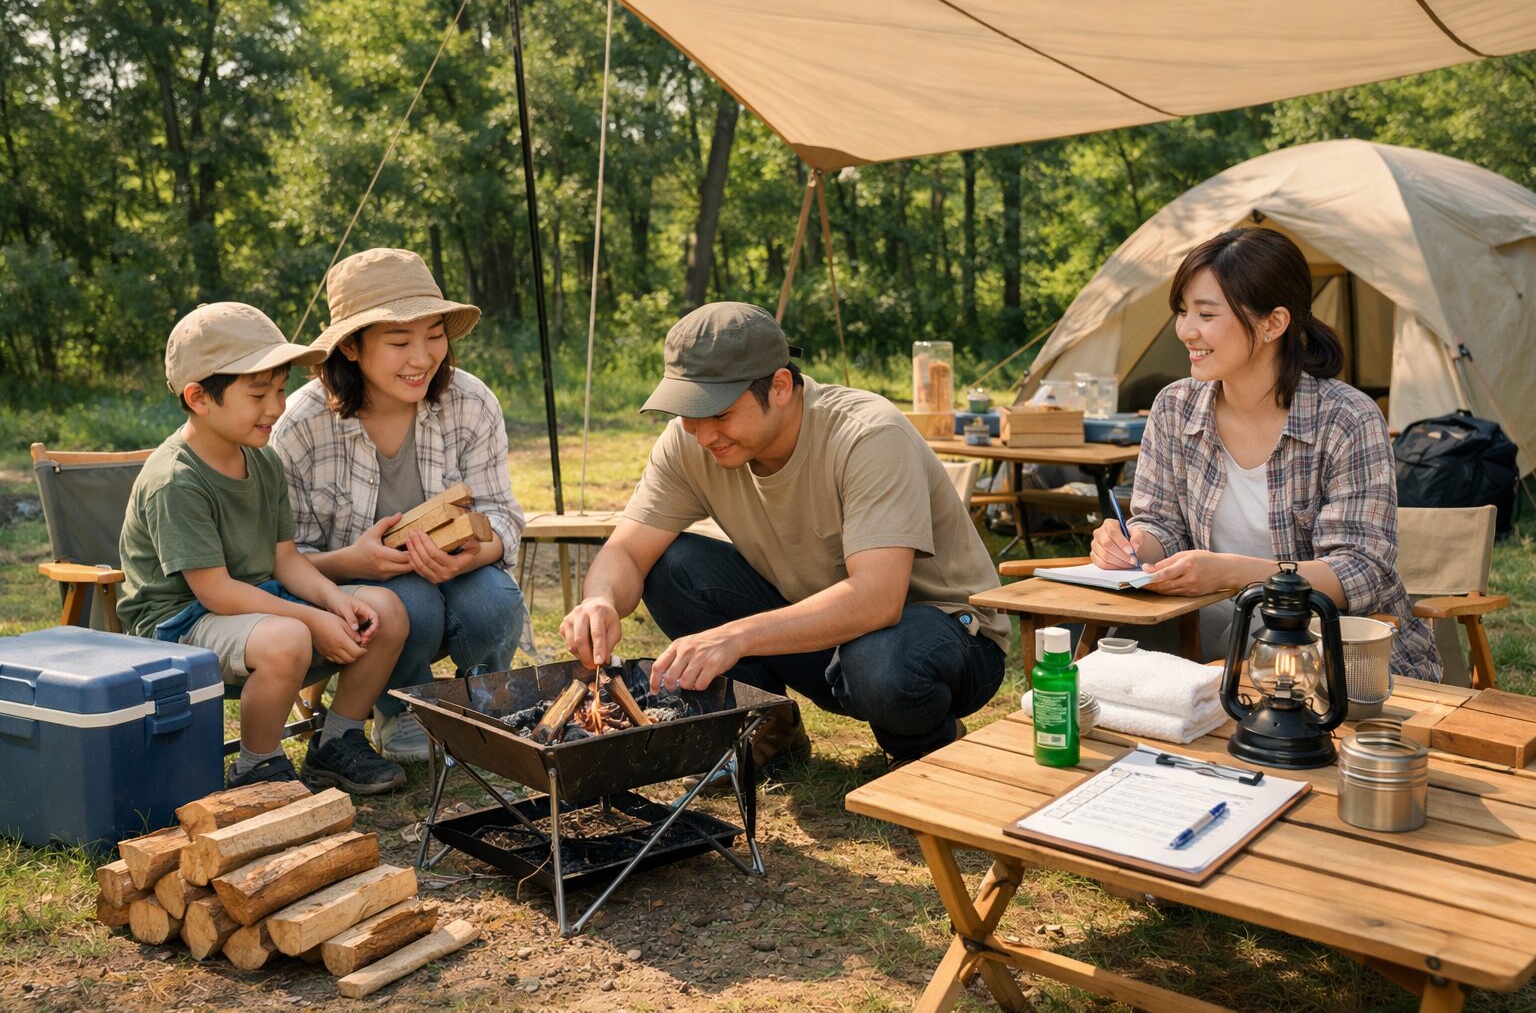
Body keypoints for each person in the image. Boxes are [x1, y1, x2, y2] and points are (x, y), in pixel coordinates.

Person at [558, 302, 1008, 769]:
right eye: (688, 412)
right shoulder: (688, 442)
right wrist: (601, 601)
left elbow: (878, 598)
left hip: (943, 634)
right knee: (673, 567)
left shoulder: (868, 434)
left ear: (778, 386)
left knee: (880, 663)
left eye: (719, 413)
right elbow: (628, 551)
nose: (701, 434)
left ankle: (925, 749)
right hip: (823, 635)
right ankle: (767, 726)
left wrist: (733, 638)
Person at [1090, 227, 1440, 679]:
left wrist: (1233, 573)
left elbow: (1360, 571)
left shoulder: (1347, 418)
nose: (1185, 330)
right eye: (1182, 312)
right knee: (1112, 658)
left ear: (1273, 323)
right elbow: (1161, 524)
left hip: (1333, 653)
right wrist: (1135, 546)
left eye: (1206, 314)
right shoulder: (1174, 407)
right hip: (1213, 629)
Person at [118, 302, 410, 792]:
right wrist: (312, 619)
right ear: (198, 398)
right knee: (288, 637)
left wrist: (336, 602)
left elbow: (286, 560)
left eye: (279, 389)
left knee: (384, 610)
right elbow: (214, 593)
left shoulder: (264, 460)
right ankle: (258, 765)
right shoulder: (177, 480)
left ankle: (337, 740)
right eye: (258, 394)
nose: (276, 407)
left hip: (256, 600)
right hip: (180, 623)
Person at [272, 248, 526, 761]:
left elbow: (504, 513)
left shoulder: (470, 402)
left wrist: (478, 549)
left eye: (435, 336)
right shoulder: (301, 425)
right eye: (399, 341)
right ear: (350, 348)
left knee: (495, 601)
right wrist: (355, 563)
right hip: (357, 594)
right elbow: (283, 559)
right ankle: (398, 708)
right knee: (411, 600)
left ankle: (484, 703)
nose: (423, 357)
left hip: (459, 575)